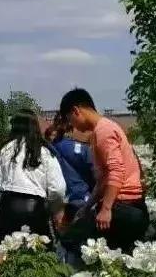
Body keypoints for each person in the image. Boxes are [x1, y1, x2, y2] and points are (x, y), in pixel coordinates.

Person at [56, 89, 147, 253]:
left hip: (123, 206)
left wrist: (105, 209)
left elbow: (116, 171)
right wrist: (87, 207)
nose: (72, 126)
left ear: (76, 111)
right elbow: (103, 180)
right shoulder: (104, 129)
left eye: (70, 119)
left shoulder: (103, 131)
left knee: (75, 242)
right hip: (126, 206)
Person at [0, 112, 66, 250]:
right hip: (35, 208)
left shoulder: (4, 149)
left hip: (8, 206)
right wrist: (55, 208)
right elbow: (58, 188)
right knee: (39, 252)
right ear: (35, 126)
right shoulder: (44, 151)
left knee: (3, 251)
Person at [48, 116, 95, 218]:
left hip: (57, 202)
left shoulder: (48, 149)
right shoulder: (84, 149)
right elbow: (95, 175)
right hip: (82, 199)